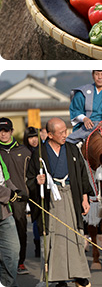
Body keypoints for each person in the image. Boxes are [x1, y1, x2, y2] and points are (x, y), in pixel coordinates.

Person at [26, 118, 92, 287]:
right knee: (55, 237)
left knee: (74, 235)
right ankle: (59, 277)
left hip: (71, 195)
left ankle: (79, 275)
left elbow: (82, 174)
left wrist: (85, 198)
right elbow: (29, 179)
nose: (65, 135)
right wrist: (37, 181)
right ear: (49, 134)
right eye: (61, 132)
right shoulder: (39, 153)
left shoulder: (71, 149)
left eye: (66, 131)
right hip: (51, 199)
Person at [0, 118, 32, 275]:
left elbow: (31, 175)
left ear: (11, 132)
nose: (3, 134)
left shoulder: (25, 151)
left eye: (6, 131)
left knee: (21, 229)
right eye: (0, 131)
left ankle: (20, 262)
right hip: (2, 199)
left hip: (19, 198)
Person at [0, 151, 21, 287]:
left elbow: (5, 178)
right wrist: (9, 194)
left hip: (4, 211)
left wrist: (17, 192)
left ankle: (8, 284)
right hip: (3, 199)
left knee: (12, 250)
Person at [22, 127, 41, 258]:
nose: (34, 140)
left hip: (43, 187)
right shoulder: (24, 152)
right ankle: (37, 245)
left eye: (35, 137)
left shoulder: (43, 150)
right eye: (30, 137)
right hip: (30, 188)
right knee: (35, 217)